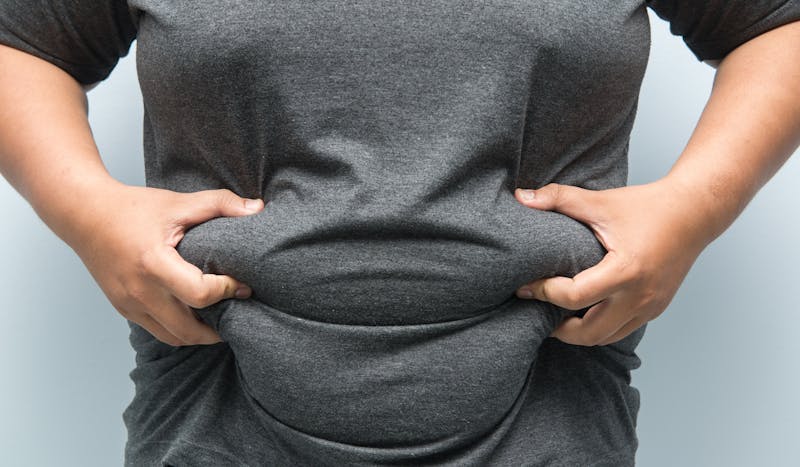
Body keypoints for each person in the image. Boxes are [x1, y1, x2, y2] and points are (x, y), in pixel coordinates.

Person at [0, 1, 798, 465]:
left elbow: (777, 23)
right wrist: (87, 212)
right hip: (214, 421)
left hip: (552, 419)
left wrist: (693, 209)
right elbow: (23, 42)